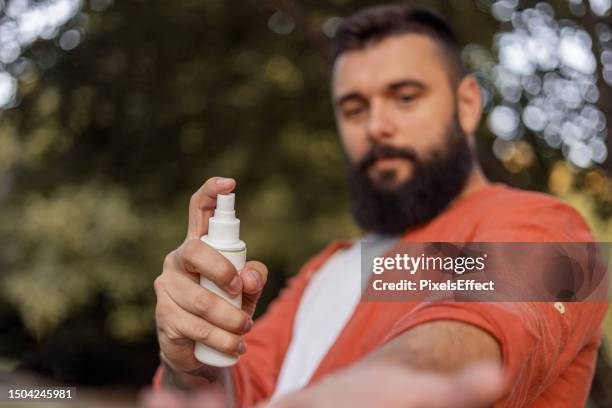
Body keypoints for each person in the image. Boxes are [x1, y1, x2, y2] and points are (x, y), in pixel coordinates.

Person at [148, 4, 608, 407]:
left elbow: (468, 332)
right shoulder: (324, 272)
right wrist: (188, 360)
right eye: (353, 108)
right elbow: (227, 394)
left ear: (467, 104)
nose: (376, 126)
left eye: (405, 97)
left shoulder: (549, 228)